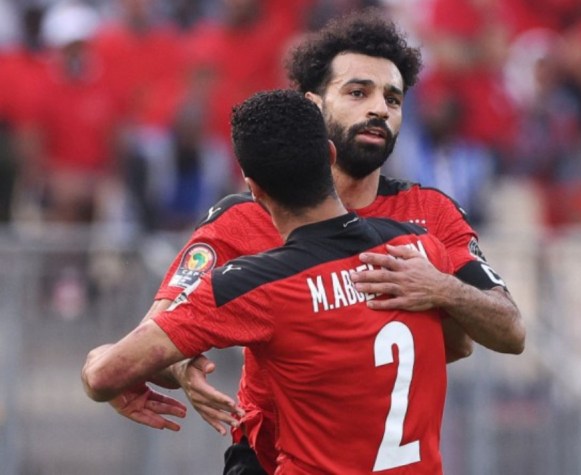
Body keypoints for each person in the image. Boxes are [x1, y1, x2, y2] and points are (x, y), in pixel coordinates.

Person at [107, 9, 525, 475]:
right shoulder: (242, 218)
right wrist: (181, 367)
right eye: (357, 92)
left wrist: (442, 289)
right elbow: (153, 336)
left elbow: (510, 330)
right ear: (313, 105)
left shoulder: (431, 214)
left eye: (393, 98)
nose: (379, 109)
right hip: (267, 461)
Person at [83, 89, 453, 473]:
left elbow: (103, 375)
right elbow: (456, 343)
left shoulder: (255, 286)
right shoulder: (421, 248)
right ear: (331, 155)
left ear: (254, 188)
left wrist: (106, 360)